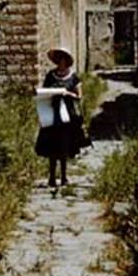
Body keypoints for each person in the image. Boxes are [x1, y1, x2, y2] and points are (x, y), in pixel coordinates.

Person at [34, 46, 84, 188]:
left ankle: (63, 176)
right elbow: (44, 91)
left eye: (63, 60)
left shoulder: (73, 78)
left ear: (67, 61)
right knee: (51, 148)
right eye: (59, 59)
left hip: (67, 117)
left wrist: (67, 94)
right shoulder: (50, 76)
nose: (60, 62)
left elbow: (79, 96)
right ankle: (51, 177)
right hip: (52, 115)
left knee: (64, 147)